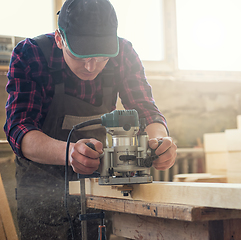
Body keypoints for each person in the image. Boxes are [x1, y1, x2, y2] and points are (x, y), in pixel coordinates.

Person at [3, 0, 177, 239]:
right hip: (43, 188)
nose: (91, 66)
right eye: (80, 55)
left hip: (100, 186)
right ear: (59, 39)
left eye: (102, 57)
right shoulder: (31, 54)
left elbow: (146, 110)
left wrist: (159, 141)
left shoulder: (123, 53)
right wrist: (69, 152)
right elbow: (20, 130)